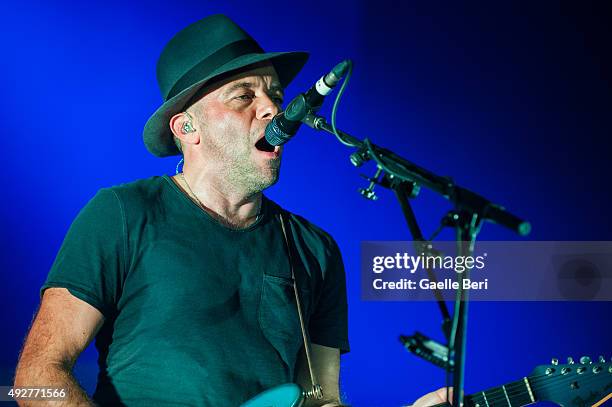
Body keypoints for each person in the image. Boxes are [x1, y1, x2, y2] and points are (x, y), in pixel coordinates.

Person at [14, 14, 449, 407]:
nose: (274, 109)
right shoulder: (123, 214)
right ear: (187, 127)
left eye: (275, 94)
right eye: (244, 96)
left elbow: (320, 400)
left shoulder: (315, 251)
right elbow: (35, 378)